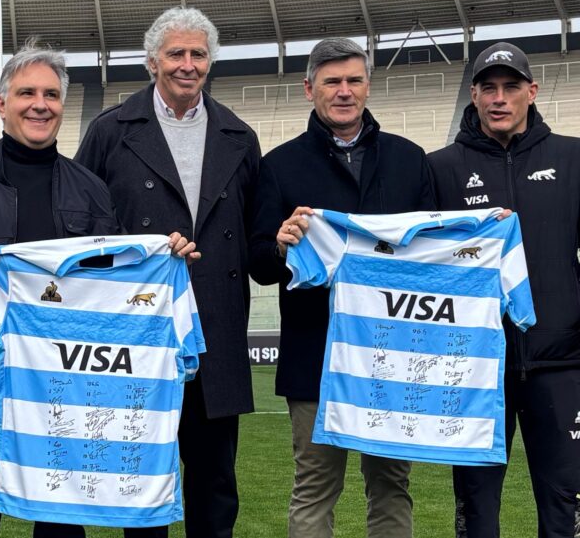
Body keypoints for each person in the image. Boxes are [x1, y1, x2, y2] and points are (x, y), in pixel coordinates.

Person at [0, 41, 194, 538]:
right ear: (1, 103)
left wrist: (163, 257)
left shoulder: (90, 189)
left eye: (51, 95)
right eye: (26, 93)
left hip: (67, 385)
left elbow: (116, 280)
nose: (40, 104)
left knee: (62, 521)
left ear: (63, 104)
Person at [75, 6, 259, 538]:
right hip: (141, 334)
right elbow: (84, 229)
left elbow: (253, 235)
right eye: (175, 53)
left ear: (211, 62)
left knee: (216, 486)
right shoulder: (110, 131)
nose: (187, 64)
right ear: (152, 61)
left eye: (198, 54)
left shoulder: (239, 136)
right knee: (142, 483)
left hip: (216, 333)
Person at [248, 37, 434, 538]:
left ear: (368, 86)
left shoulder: (410, 160)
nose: (344, 91)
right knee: (314, 488)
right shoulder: (280, 165)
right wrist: (282, 246)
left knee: (392, 485)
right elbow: (259, 263)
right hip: (316, 357)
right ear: (310, 88)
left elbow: (436, 253)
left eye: (354, 80)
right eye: (332, 81)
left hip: (393, 356)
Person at [428, 41, 580, 538]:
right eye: (488, 88)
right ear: (472, 95)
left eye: (511, 87)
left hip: (560, 364)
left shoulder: (572, 158)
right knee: (475, 510)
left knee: (566, 506)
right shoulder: (441, 167)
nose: (499, 98)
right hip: (476, 370)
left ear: (531, 92)